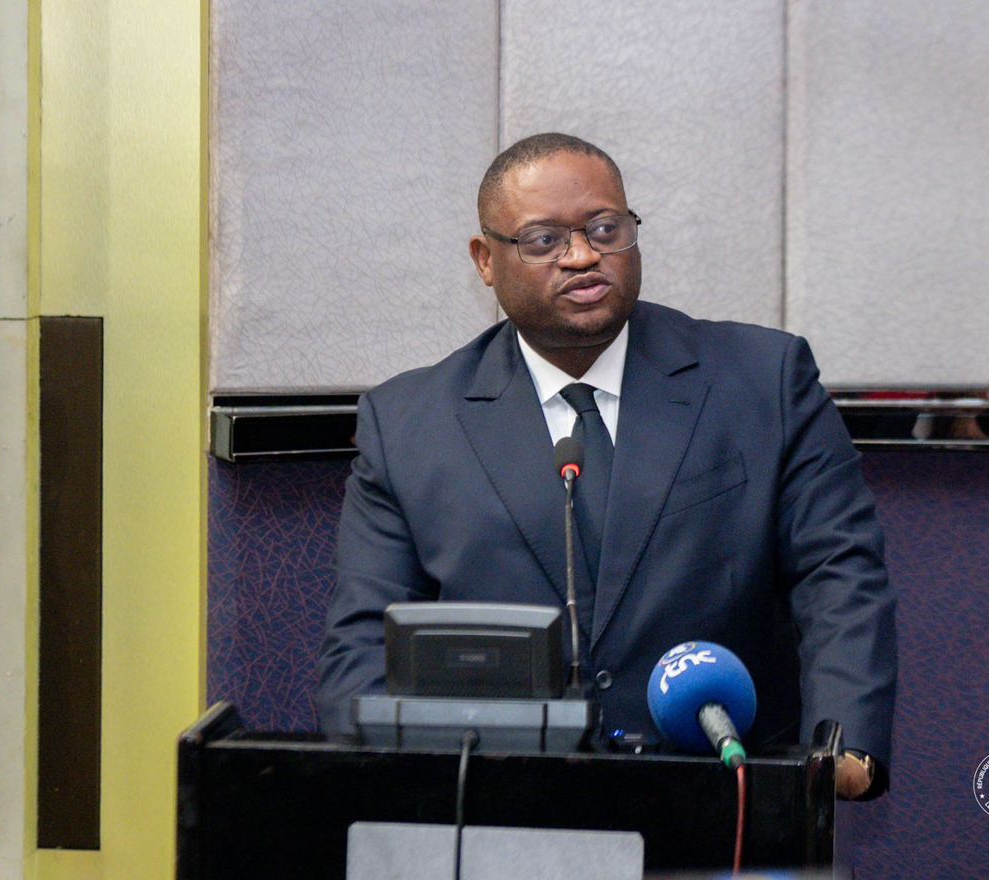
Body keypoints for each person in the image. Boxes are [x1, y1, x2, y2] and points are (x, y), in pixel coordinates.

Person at [317, 133, 896, 798]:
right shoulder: (408, 425)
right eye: (544, 240)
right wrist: (392, 784)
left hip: (727, 794)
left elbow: (838, 572)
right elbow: (365, 647)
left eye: (604, 229)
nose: (583, 256)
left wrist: (842, 750)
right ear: (485, 260)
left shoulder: (763, 380)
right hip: (499, 804)